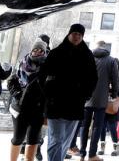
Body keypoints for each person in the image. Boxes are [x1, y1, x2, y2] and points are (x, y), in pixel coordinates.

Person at [41, 24, 97, 161]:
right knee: (56, 139)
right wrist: (48, 93)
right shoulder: (56, 53)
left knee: (65, 140)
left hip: (75, 104)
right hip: (56, 103)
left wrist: (85, 95)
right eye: (74, 33)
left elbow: (93, 78)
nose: (76, 36)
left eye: (79, 34)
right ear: (69, 34)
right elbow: (42, 75)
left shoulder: (87, 55)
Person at [9, 39, 49, 161]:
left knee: (33, 140)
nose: (37, 52)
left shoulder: (48, 66)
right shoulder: (21, 64)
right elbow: (11, 81)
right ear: (31, 50)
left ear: (44, 51)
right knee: (18, 138)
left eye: (40, 50)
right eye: (35, 49)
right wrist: (17, 94)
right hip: (20, 108)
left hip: (38, 109)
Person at [79, 40, 119, 161]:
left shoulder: (87, 58)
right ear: (105, 48)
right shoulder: (111, 60)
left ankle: (82, 154)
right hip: (101, 99)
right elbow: (115, 80)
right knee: (97, 127)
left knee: (84, 126)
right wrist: (114, 93)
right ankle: (92, 155)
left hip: (86, 98)